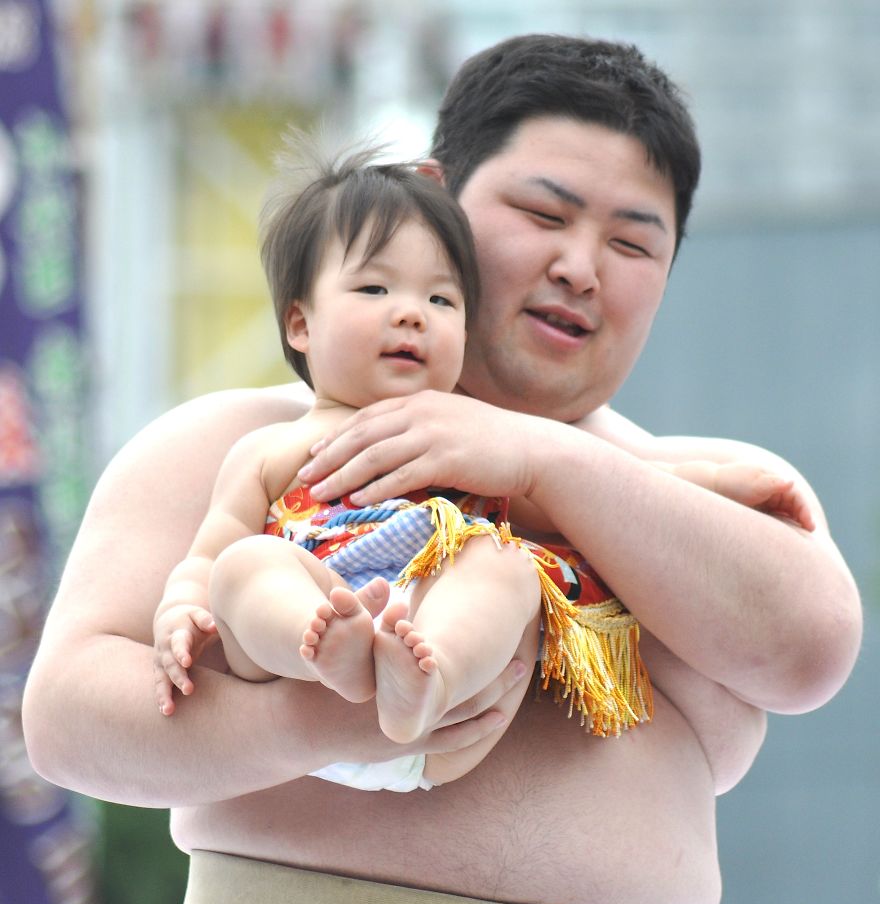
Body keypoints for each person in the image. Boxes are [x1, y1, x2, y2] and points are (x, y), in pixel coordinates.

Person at [22, 34, 861, 904]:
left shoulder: (697, 490)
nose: (581, 266)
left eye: (633, 243)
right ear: (437, 195)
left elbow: (811, 647)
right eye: (543, 213)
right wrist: (318, 725)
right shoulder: (243, 445)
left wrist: (543, 463)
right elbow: (66, 720)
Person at [152, 139, 815, 793]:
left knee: (506, 564)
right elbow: (207, 557)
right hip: (302, 677)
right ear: (300, 323)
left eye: (441, 301)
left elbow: (604, 495)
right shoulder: (269, 448)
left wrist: (716, 484)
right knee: (244, 565)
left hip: (440, 714)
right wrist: (181, 611)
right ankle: (329, 646)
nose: (411, 314)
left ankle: (428, 673)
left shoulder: (472, 443)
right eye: (375, 287)